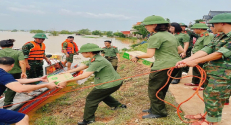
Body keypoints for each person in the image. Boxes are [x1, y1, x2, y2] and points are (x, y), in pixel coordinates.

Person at [176, 13, 231, 125]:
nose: (213, 27)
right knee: (208, 94)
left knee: (215, 96)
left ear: (222, 23)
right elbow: (207, 48)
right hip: (213, 71)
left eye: (214, 24)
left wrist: (196, 61)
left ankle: (211, 122)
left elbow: (219, 54)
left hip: (224, 73)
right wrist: (187, 60)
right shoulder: (220, 36)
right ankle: (206, 115)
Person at [58, 43, 126, 125]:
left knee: (91, 99)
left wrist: (66, 81)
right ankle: (119, 106)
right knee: (102, 95)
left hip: (109, 84)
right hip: (113, 82)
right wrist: (68, 72)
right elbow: (83, 67)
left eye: (82, 52)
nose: (81, 54)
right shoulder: (95, 58)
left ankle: (89, 120)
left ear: (89, 52)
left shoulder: (98, 61)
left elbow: (85, 75)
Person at [131, 15, 183, 119]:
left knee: (154, 89)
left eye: (147, 25)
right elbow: (181, 50)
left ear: (155, 25)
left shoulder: (155, 36)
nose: (146, 27)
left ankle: (158, 112)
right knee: (162, 88)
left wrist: (136, 56)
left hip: (162, 67)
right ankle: (154, 108)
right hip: (175, 65)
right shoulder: (170, 35)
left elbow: (150, 54)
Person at [0, 57, 58, 125]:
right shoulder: (4, 75)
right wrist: (46, 85)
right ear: (13, 65)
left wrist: (39, 79)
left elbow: (14, 81)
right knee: (22, 118)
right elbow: (20, 88)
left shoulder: (3, 75)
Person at [184, 23, 213, 91]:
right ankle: (195, 82)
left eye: (194, 29)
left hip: (201, 56)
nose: (193, 30)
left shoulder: (207, 35)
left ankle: (202, 85)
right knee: (196, 69)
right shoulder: (201, 36)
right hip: (196, 55)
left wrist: (204, 58)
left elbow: (207, 47)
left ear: (199, 29)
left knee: (202, 71)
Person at [0, 39, 27, 109]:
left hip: (1, 72)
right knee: (12, 89)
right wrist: (23, 72)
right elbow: (22, 62)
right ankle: (7, 103)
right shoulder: (18, 52)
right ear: (12, 45)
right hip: (15, 72)